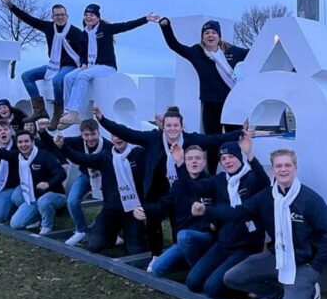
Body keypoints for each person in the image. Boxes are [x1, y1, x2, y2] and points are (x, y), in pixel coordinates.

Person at [196, 148, 327, 299]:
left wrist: (316, 266)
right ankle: (278, 295)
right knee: (231, 277)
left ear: (295, 168)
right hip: (277, 256)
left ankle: (310, 291)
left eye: (288, 165)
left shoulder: (310, 199)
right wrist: (207, 210)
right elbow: (238, 212)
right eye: (278, 166)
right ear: (273, 170)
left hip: (305, 263)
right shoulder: (266, 197)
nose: (283, 169)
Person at [93, 105, 244, 262]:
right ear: (163, 126)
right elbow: (127, 134)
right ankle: (155, 254)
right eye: (169, 125)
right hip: (156, 187)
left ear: (181, 126)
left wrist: (240, 133)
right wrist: (102, 120)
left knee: (177, 221)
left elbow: (215, 140)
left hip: (182, 187)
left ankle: (180, 252)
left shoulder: (190, 139)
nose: (172, 129)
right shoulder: (153, 138)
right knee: (153, 222)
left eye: (175, 125)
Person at [173, 135, 270, 298]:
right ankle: (227, 276)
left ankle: (248, 284)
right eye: (223, 158)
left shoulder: (252, 178)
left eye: (231, 156)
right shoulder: (220, 180)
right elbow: (194, 187)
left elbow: (264, 181)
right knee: (193, 282)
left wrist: (250, 155)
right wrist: (180, 164)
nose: (227, 161)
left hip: (247, 244)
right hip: (224, 242)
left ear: (240, 157)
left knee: (212, 289)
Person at [58, 5, 159, 129]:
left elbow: (125, 26)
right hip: (91, 66)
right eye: (86, 15)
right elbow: (82, 52)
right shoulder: (84, 33)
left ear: (98, 18)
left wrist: (145, 19)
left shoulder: (105, 29)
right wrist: (84, 63)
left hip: (106, 66)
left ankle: (74, 112)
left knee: (82, 76)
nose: (88, 17)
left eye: (91, 15)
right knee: (68, 77)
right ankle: (69, 112)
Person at [1, 0, 84, 128]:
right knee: (27, 76)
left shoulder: (75, 32)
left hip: (70, 66)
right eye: (57, 15)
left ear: (67, 16)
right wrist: (10, 5)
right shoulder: (48, 27)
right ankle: (39, 110)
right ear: (53, 17)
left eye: (62, 14)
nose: (60, 17)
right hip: (54, 65)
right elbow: (29, 19)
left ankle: (59, 112)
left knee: (57, 80)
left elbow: (85, 49)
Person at [55, 132, 148, 254]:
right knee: (93, 245)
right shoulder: (105, 156)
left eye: (121, 135)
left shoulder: (138, 154)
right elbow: (82, 158)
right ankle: (113, 236)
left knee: (135, 251)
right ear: (111, 138)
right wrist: (63, 147)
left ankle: (135, 233)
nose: (118, 137)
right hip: (111, 210)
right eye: (115, 135)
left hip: (133, 211)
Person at [157, 17, 249, 135]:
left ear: (219, 36)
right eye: (206, 33)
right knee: (212, 139)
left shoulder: (231, 50)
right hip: (210, 103)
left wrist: (273, 41)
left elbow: (253, 53)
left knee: (236, 137)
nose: (210, 35)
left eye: (214, 32)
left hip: (232, 102)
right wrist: (166, 26)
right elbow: (175, 45)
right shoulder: (197, 52)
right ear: (202, 37)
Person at [134, 145, 215, 276]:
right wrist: (143, 210)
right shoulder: (178, 186)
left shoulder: (213, 183)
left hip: (205, 237)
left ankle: (200, 272)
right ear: (185, 162)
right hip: (183, 241)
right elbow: (162, 206)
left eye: (198, 158)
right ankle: (189, 261)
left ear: (204, 161)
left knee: (184, 236)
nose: (194, 161)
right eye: (189, 159)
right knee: (157, 269)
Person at [38, 118, 111, 246]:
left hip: (106, 177)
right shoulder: (78, 142)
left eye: (93, 134)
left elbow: (87, 159)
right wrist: (42, 132)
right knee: (72, 200)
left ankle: (103, 230)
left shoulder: (108, 146)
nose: (90, 138)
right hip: (86, 175)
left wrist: (64, 148)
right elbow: (54, 144)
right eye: (86, 135)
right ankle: (81, 229)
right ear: (81, 134)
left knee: (109, 205)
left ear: (99, 133)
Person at [0, 122, 67, 234]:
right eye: (20, 142)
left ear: (33, 142)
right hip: (33, 196)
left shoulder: (44, 156)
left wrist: (48, 184)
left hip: (54, 194)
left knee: (43, 201)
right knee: (15, 223)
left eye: (27, 141)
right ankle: (36, 215)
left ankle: (47, 225)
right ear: (17, 144)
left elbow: (62, 174)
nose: (24, 144)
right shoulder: (17, 156)